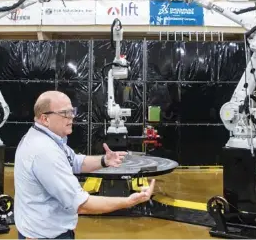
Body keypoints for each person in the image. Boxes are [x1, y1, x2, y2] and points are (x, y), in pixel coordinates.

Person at [14, 91, 155, 239]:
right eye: (65, 113)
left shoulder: (46, 137)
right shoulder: (44, 151)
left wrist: (104, 160)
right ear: (45, 118)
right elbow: (81, 204)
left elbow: (74, 161)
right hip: (45, 236)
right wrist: (129, 201)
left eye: (72, 111)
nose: (72, 117)